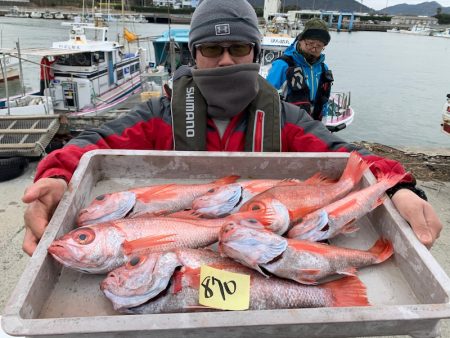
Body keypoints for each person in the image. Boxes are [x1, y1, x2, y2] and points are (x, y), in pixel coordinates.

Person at [22, 0, 442, 256]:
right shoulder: (160, 116)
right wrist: (56, 178)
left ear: (256, 53)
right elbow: (91, 144)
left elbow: (346, 155)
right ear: (194, 55)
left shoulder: (288, 121)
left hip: (261, 244)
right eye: (211, 49)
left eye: (238, 47)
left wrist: (400, 187)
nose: (225, 60)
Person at [266, 18, 333, 121]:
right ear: (300, 40)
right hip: (287, 124)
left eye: (319, 46)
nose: (314, 49)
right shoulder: (283, 65)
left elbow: (324, 98)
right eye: (310, 43)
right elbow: (266, 96)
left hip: (314, 124)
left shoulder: (323, 68)